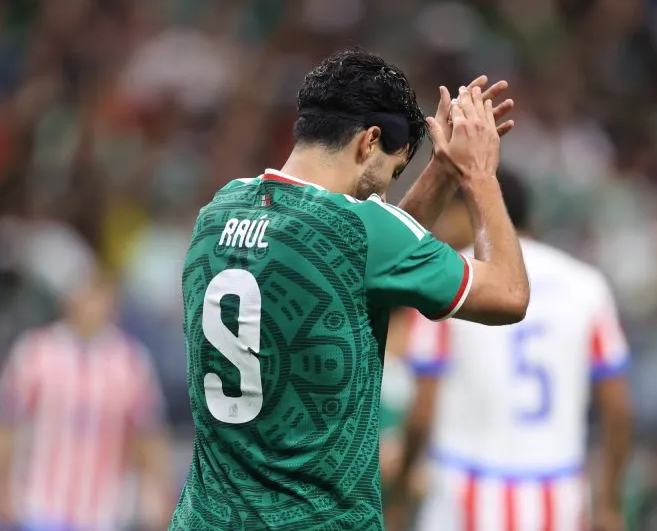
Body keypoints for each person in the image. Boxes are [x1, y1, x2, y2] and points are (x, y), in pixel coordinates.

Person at [170, 47, 529, 530]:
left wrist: (441, 168)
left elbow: (365, 257)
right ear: (370, 141)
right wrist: (477, 174)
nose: (381, 192)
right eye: (392, 172)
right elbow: (509, 294)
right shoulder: (361, 230)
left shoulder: (217, 211)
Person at [387, 171, 632, 531]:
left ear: (468, 209)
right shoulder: (587, 285)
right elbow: (617, 409)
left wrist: (402, 486)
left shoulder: (446, 277)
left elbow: (423, 411)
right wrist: (610, 501)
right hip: (557, 490)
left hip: (465, 488)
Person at [0, 271, 173, 531]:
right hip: (40, 503)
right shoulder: (35, 351)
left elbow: (148, 434)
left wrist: (159, 494)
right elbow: (8, 425)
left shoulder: (130, 360)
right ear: (70, 301)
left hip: (103, 512)